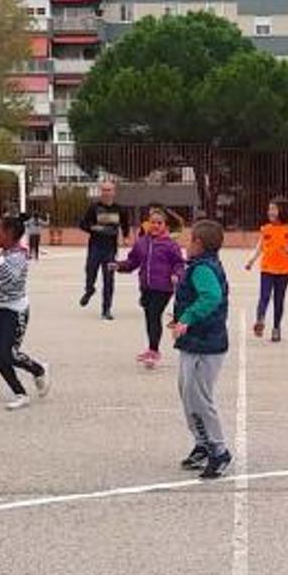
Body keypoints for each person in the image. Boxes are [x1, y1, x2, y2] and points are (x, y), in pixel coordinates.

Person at [171, 219, 233, 479]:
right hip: (195, 341)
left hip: (206, 345)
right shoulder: (198, 266)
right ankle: (202, 443)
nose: (185, 244)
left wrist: (187, 319)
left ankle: (218, 450)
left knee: (199, 398)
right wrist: (180, 318)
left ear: (198, 244)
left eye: (189, 240)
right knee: (187, 393)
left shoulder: (203, 269)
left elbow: (211, 297)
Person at [0, 215, 50, 411]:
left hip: (15, 311)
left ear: (8, 234)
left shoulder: (19, 255)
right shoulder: (6, 254)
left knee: (9, 354)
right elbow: (1, 284)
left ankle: (38, 369)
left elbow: (12, 278)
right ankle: (20, 393)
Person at [110, 208, 187, 369]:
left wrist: (176, 274)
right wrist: (118, 266)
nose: (156, 226)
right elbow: (132, 262)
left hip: (163, 287)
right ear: (147, 224)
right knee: (149, 315)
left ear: (165, 225)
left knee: (153, 315)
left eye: (159, 223)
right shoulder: (141, 243)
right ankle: (152, 348)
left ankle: (154, 350)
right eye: (153, 222)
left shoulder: (170, 244)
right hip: (146, 286)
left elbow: (179, 263)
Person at [245, 197, 288, 343]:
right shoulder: (266, 229)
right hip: (267, 268)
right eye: (269, 209)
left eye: (273, 209)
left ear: (282, 211)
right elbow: (259, 248)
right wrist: (251, 261)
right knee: (264, 296)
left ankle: (276, 328)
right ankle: (260, 320)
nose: (270, 211)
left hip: (284, 270)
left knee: (279, 300)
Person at [79, 181, 130, 320]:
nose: (107, 193)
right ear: (101, 192)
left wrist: (126, 237)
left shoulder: (120, 209)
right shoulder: (94, 208)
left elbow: (125, 224)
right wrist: (94, 228)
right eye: (104, 190)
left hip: (110, 249)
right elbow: (83, 224)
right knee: (90, 273)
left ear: (114, 192)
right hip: (95, 247)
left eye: (109, 190)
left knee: (109, 279)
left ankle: (106, 309)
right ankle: (89, 290)